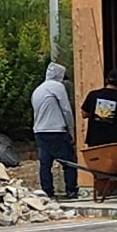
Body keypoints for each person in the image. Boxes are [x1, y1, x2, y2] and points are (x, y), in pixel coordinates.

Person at [30, 60, 77, 200]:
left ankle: (47, 191)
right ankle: (71, 190)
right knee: (69, 162)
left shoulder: (38, 90)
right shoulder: (57, 87)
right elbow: (66, 110)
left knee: (45, 164)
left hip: (40, 131)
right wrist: (71, 130)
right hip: (56, 130)